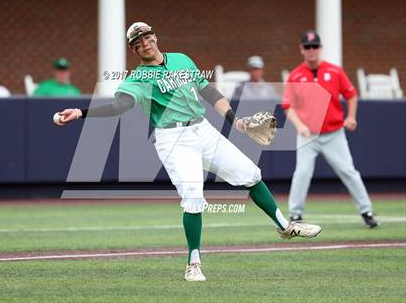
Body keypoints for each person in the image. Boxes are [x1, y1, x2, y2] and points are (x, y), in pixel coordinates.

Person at [55, 22, 321, 282]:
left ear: (155, 37)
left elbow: (209, 92)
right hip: (173, 139)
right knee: (194, 197)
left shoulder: (182, 60)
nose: (144, 44)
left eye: (147, 38)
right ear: (134, 51)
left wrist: (235, 121)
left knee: (250, 174)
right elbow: (120, 106)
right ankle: (193, 262)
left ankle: (286, 227)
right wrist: (81, 113)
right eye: (137, 43)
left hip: (202, 129)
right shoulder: (137, 78)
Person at [282, 30, 378, 229]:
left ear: (320, 48)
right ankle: (295, 214)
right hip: (308, 134)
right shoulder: (295, 75)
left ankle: (366, 211)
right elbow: (287, 106)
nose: (311, 50)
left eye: (314, 46)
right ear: (301, 49)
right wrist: (299, 125)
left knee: (348, 171)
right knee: (302, 173)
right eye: (307, 47)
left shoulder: (334, 71)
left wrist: (351, 116)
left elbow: (351, 94)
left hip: (334, 132)